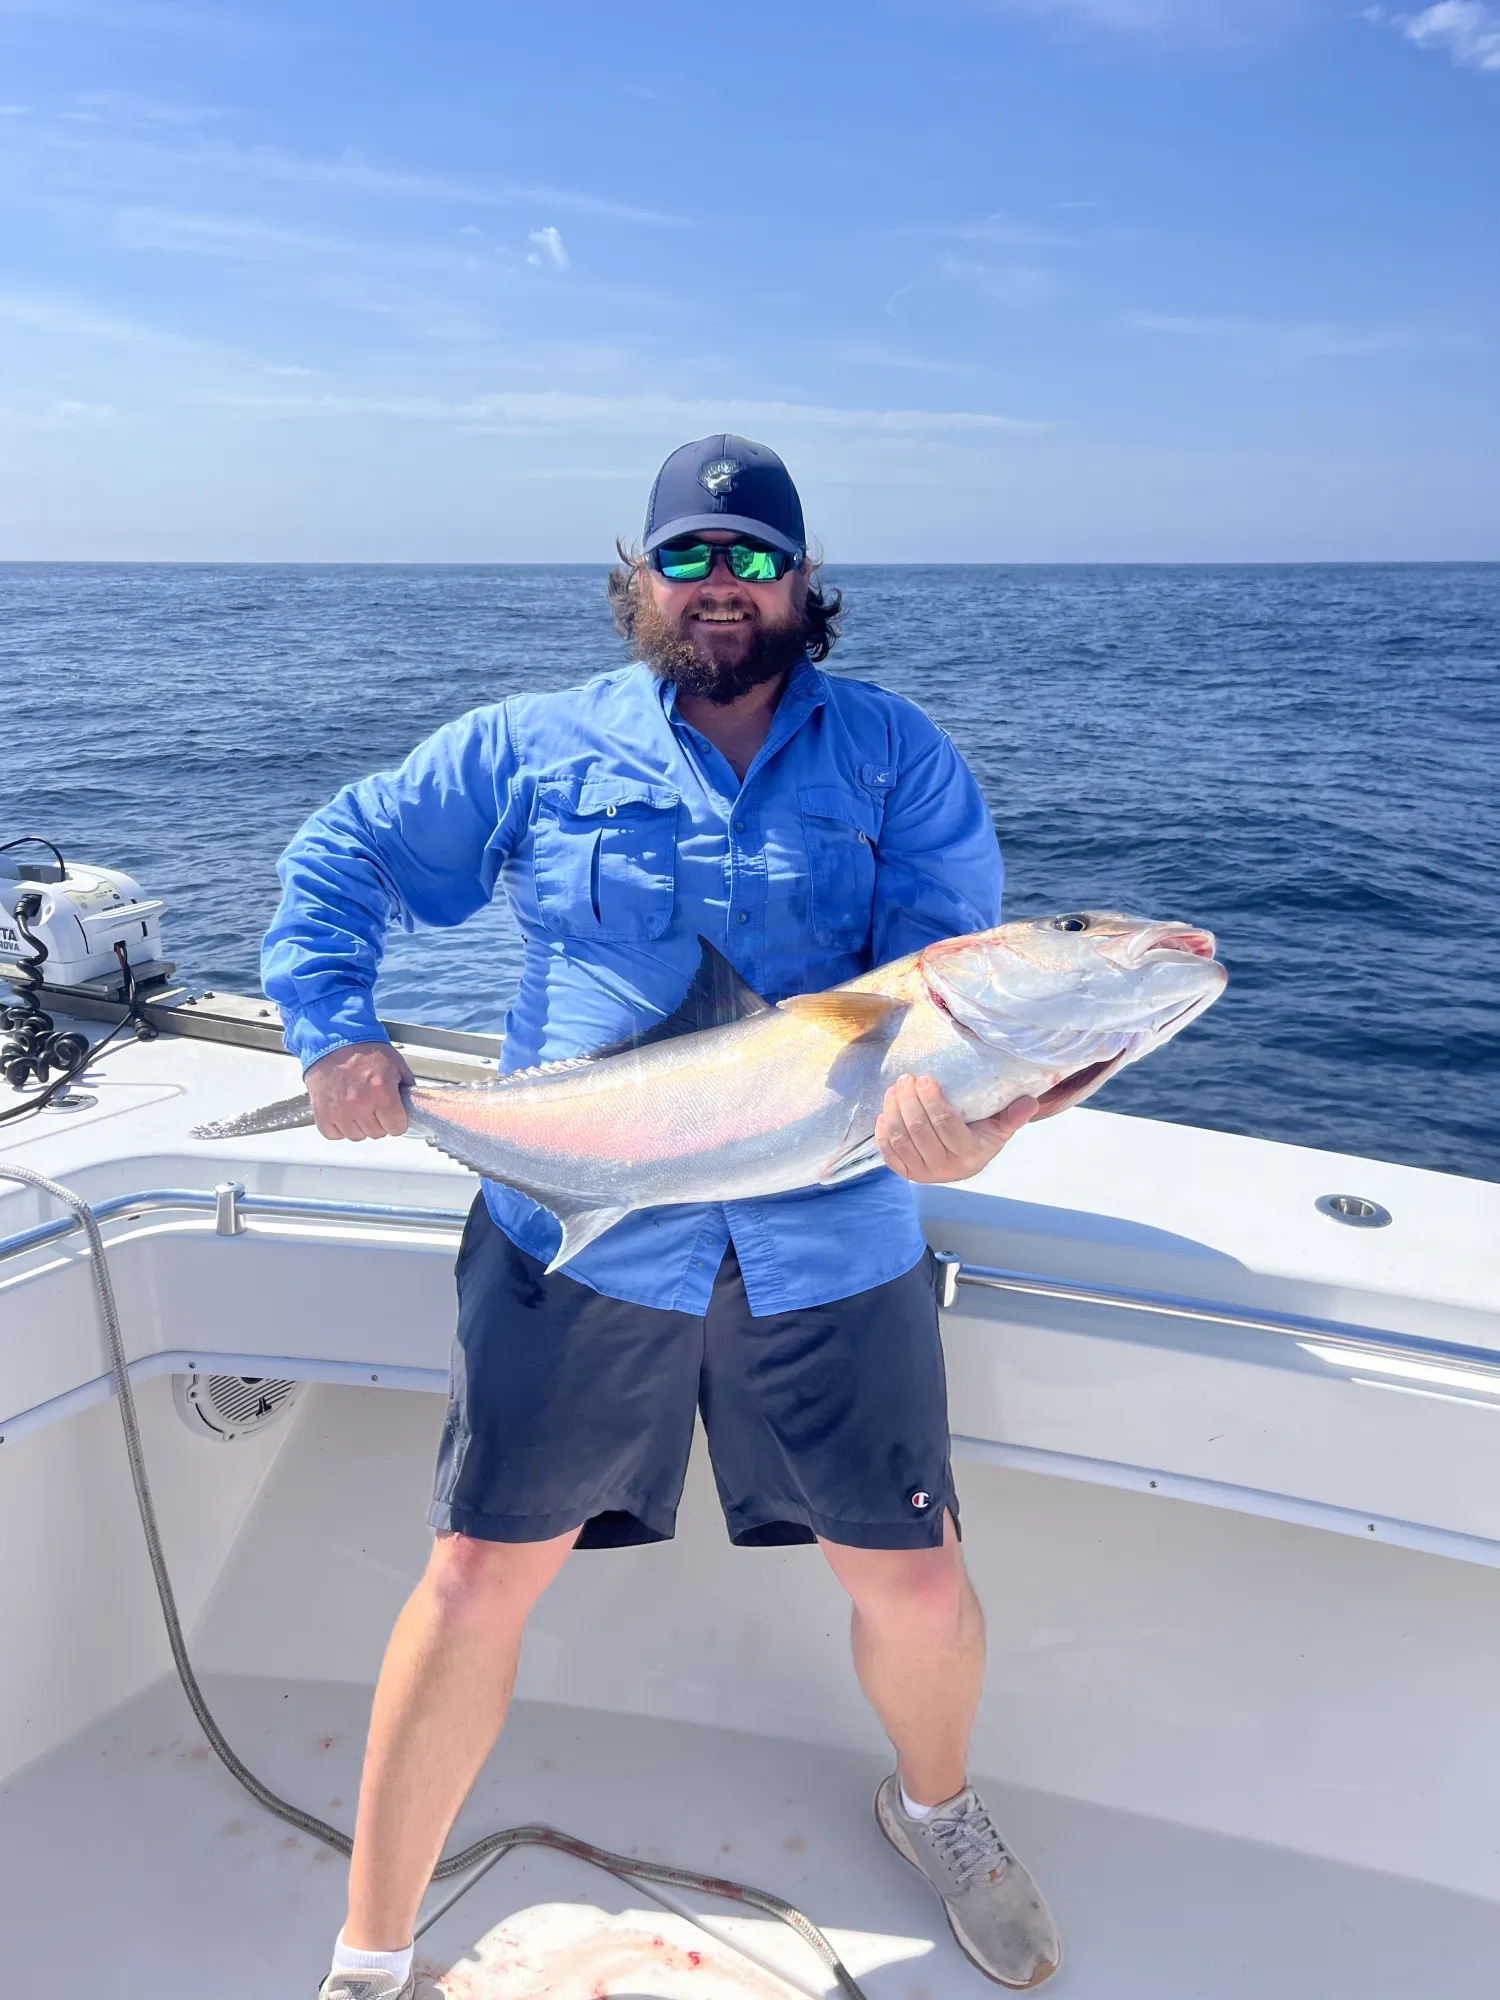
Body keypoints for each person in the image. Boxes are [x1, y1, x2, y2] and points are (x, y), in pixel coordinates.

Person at [264, 434, 1061, 1995]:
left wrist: (960, 1129)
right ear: (636, 579)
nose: (719, 585)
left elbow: (942, 1007)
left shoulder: (899, 760)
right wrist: (337, 1033)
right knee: (480, 1573)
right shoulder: (533, 746)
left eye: (753, 559)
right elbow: (342, 853)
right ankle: (368, 1951)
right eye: (687, 557)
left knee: (912, 1573)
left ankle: (937, 1810)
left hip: (829, 1237)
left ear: (804, 582)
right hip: (575, 1227)